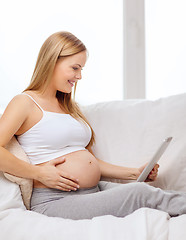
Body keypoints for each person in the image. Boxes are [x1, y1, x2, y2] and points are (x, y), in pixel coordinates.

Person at [0, 31, 186, 220]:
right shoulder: (25, 102)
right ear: (52, 61)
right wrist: (38, 173)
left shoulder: (68, 107)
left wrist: (134, 173)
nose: (79, 76)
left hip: (91, 190)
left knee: (147, 190)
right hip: (55, 200)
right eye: (75, 68)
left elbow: (89, 160)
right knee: (141, 194)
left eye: (81, 69)